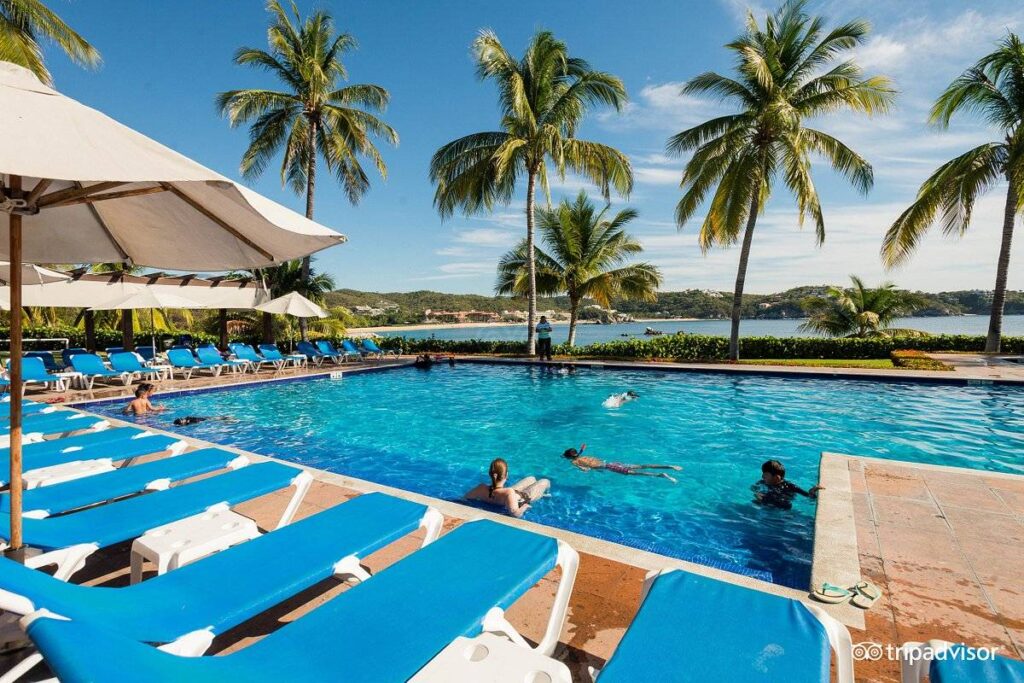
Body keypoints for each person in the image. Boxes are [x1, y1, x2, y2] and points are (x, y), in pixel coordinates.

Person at [465, 458, 550, 518]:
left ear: (490, 474)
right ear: (506, 475)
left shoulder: (481, 488)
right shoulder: (509, 492)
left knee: (531, 478)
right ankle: (547, 495)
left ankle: (544, 493)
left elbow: (465, 498)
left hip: (508, 494)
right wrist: (525, 506)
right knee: (545, 481)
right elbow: (515, 514)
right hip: (524, 498)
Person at [563, 444, 681, 482]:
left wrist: (585, 470)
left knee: (636, 473)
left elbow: (585, 469)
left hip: (610, 467)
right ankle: (670, 466)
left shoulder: (574, 461)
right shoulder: (582, 455)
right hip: (612, 463)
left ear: (569, 457)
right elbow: (583, 455)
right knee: (642, 466)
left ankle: (661, 475)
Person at [752, 459, 823, 510]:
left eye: (766, 475)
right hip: (772, 500)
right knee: (757, 500)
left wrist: (811, 493)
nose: (762, 476)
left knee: (783, 503)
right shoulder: (763, 482)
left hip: (784, 502)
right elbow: (754, 487)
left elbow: (807, 496)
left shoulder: (790, 486)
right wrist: (756, 491)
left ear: (777, 477)